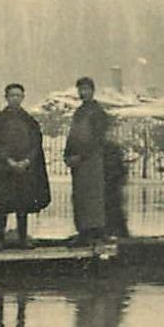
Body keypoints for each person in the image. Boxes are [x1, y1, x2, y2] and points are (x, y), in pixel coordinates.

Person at [0, 83, 51, 248]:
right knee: (2, 205)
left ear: (23, 98)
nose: (15, 99)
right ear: (6, 98)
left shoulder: (29, 120)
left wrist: (27, 161)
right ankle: (0, 239)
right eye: (12, 95)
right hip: (4, 170)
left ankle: (23, 238)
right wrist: (8, 161)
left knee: (22, 205)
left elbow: (36, 144)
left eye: (18, 95)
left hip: (23, 170)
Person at [64, 76, 110, 243]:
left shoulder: (98, 113)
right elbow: (73, 136)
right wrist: (67, 155)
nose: (83, 93)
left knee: (92, 196)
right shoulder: (79, 111)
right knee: (80, 196)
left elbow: (97, 139)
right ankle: (83, 230)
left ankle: (93, 232)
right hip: (78, 162)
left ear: (92, 91)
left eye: (86, 89)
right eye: (80, 90)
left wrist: (80, 156)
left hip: (91, 161)